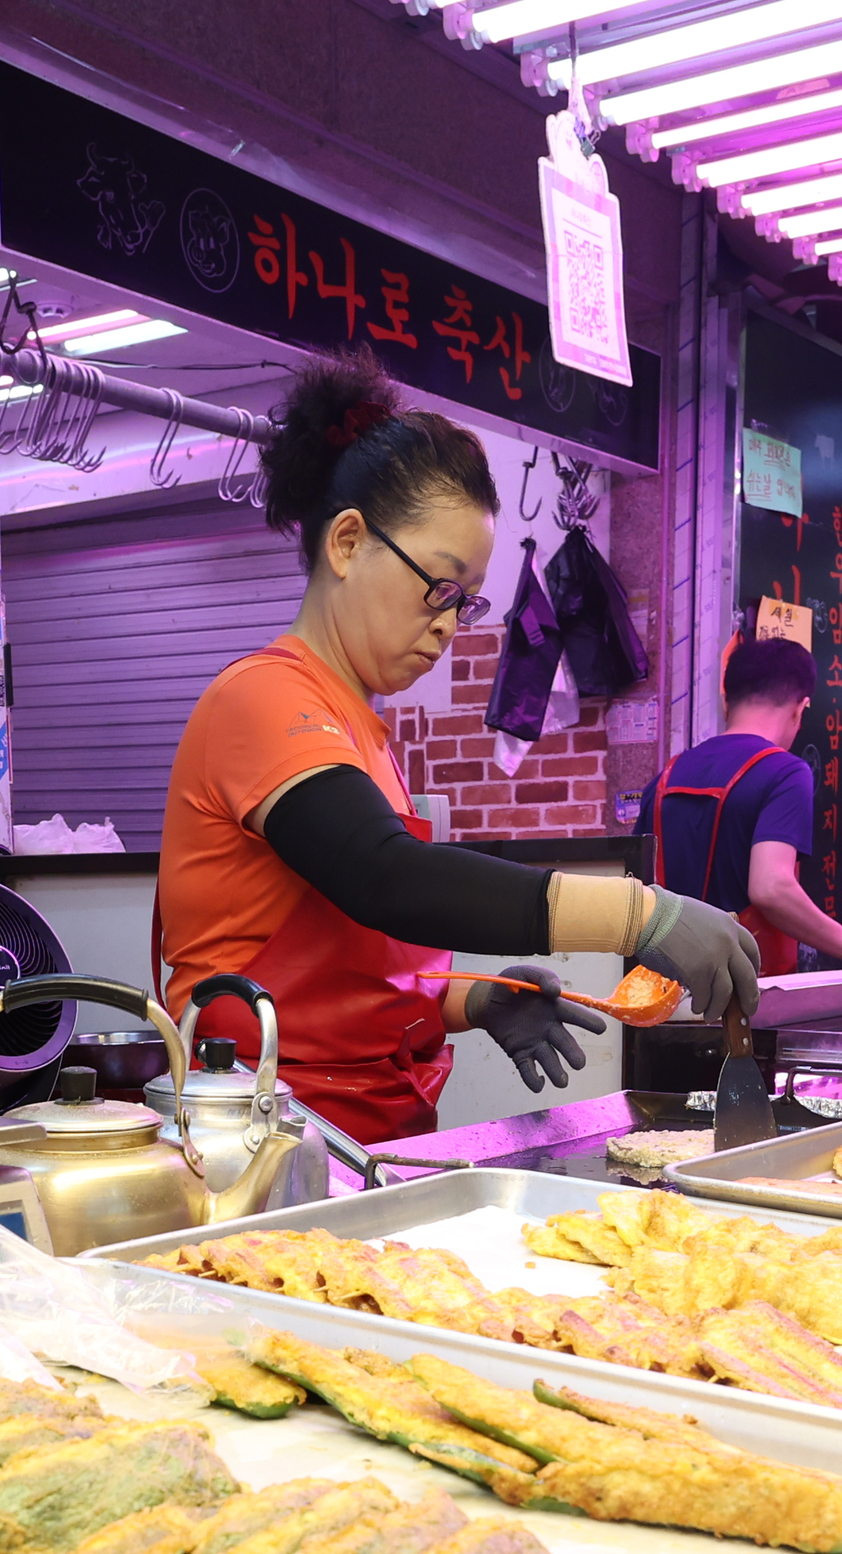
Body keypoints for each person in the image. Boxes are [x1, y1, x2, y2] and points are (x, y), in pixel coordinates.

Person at [155, 356, 759, 1144]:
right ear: (346, 543)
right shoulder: (263, 699)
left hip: (365, 1141)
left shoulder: (360, 730)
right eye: (437, 587)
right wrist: (639, 914)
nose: (447, 622)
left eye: (465, 600)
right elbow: (385, 877)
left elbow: (354, 958)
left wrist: (473, 1000)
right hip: (267, 1142)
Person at [644, 633, 842, 976]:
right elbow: (771, 887)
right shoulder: (784, 771)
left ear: (726, 701)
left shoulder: (665, 778)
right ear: (800, 708)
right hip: (744, 994)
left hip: (663, 992)